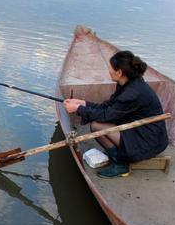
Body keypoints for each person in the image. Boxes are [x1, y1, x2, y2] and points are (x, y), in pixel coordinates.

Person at [63, 50, 169, 178]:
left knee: (97, 126)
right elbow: (108, 107)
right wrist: (83, 103)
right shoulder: (128, 83)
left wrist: (78, 109)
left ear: (119, 72)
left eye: (111, 68)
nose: (109, 70)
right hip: (141, 130)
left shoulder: (132, 94)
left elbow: (105, 115)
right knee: (99, 122)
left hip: (149, 141)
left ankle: (121, 165)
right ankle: (118, 154)